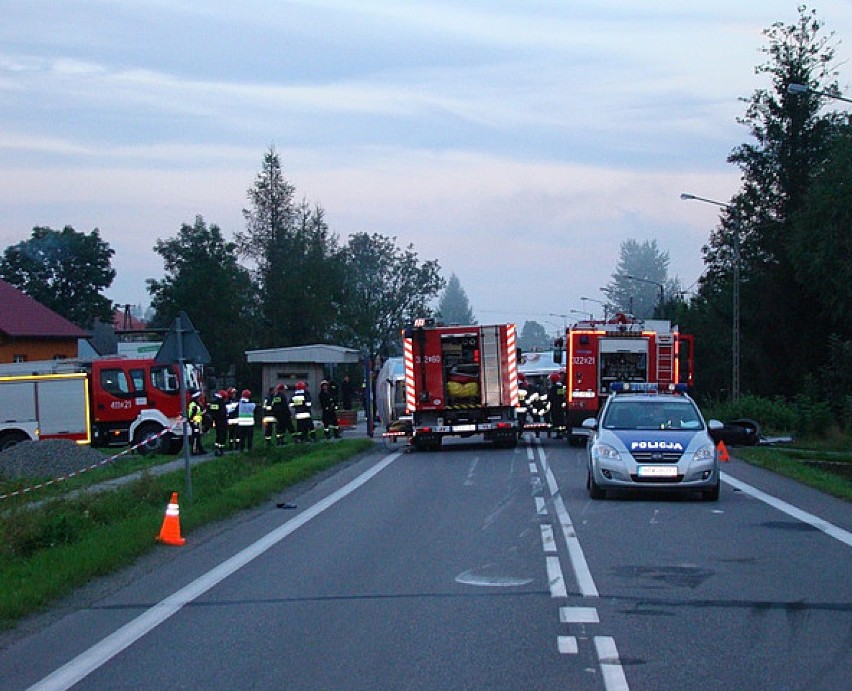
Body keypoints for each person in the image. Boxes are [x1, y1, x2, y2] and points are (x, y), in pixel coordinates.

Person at [207, 389, 229, 456]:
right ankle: (221, 450)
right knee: (222, 436)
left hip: (217, 422)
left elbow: (211, 411)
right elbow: (223, 413)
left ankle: (217, 449)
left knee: (218, 436)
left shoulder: (214, 403)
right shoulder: (221, 404)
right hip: (222, 422)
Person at [548, 371, 567, 439]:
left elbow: (550, 397)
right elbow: (563, 396)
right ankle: (561, 432)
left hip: (555, 407)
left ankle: (559, 433)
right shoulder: (561, 387)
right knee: (561, 419)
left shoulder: (553, 388)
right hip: (561, 406)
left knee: (556, 420)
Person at [187, 391, 206, 455]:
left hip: (197, 422)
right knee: (195, 437)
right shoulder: (193, 404)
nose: (199, 398)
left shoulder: (196, 403)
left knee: (198, 436)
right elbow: (192, 415)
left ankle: (200, 450)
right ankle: (194, 451)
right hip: (195, 423)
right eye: (198, 397)